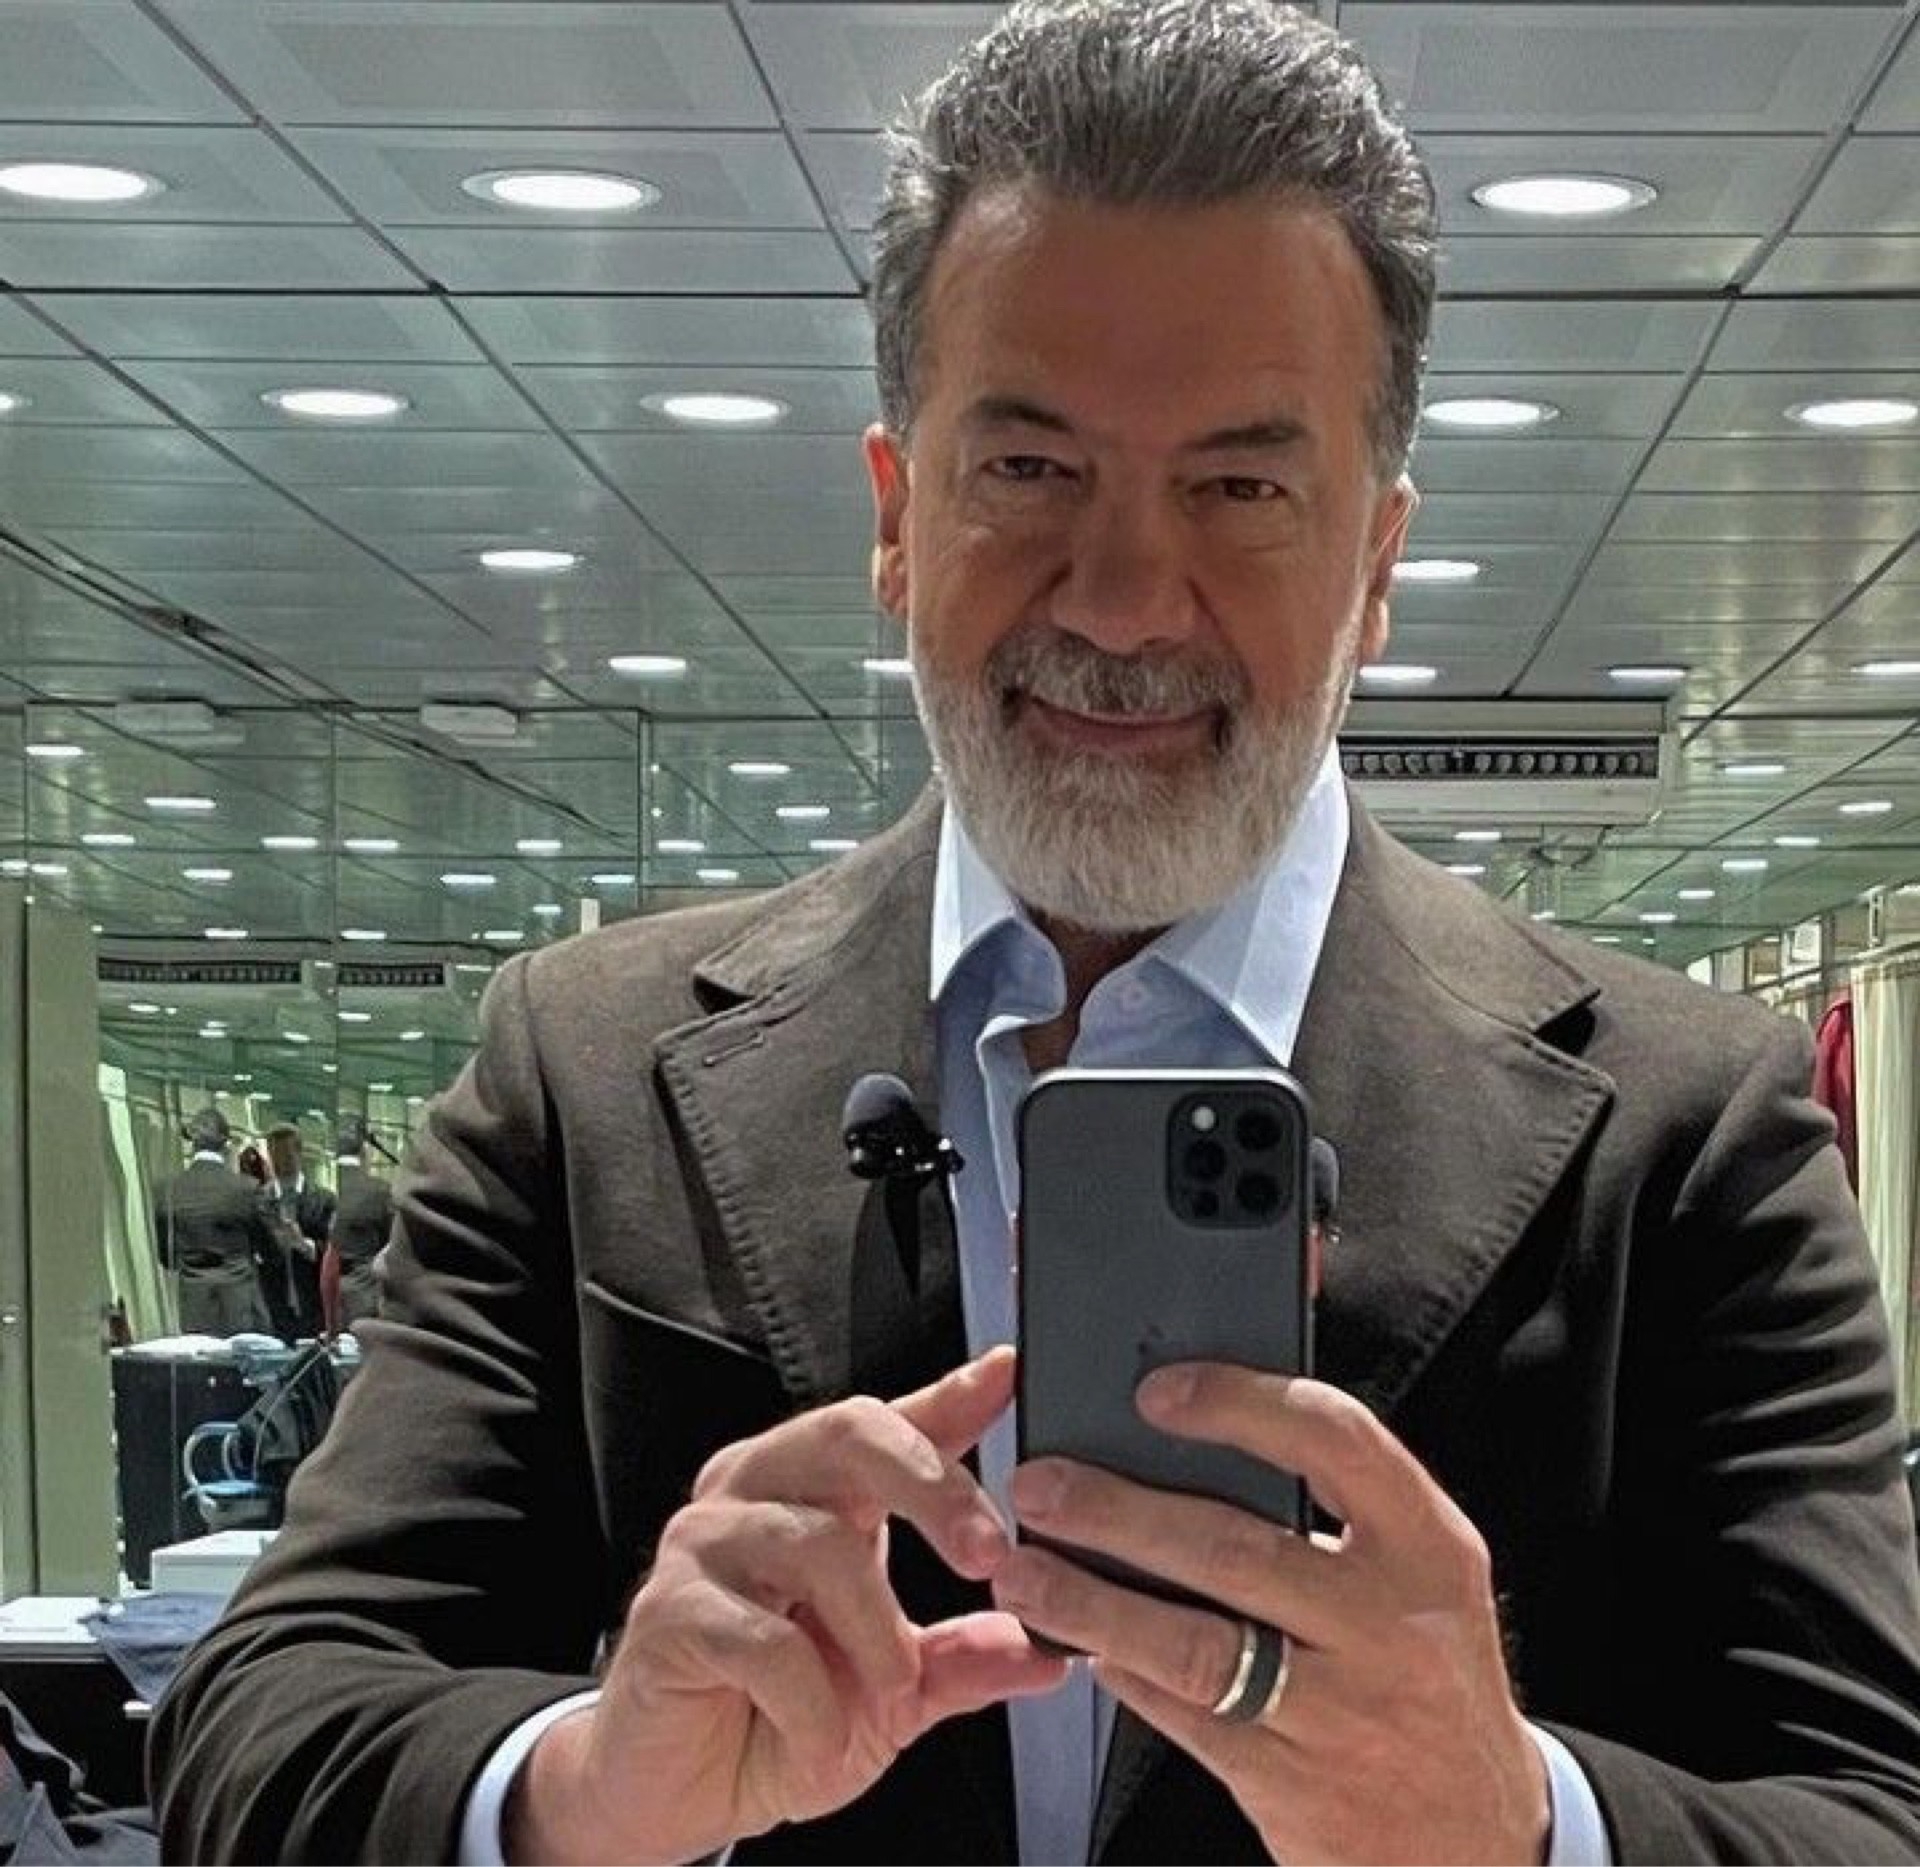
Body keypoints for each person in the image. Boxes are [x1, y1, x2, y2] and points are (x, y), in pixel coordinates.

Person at [150, 2, 1920, 1861]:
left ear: (1378, 560)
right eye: (1029, 470)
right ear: (897, 516)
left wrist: (1518, 1826)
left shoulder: (1688, 1133)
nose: (1126, 597)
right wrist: (587, 1789)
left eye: (1240, 485)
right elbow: (262, 1726)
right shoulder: (584, 1074)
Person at [149, 1108, 280, 1340]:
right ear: (226, 1145)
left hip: (194, 1305)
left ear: (193, 1145)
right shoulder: (246, 1189)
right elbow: (271, 1251)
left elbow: (166, 1257)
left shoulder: (167, 1190)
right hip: (242, 1303)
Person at [264, 1123, 333, 1341]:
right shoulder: (260, 1201)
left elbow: (335, 1254)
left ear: (299, 1152)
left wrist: (303, 1244)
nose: (280, 1162)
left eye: (286, 1154)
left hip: (313, 1305)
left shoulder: (324, 1200)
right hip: (272, 1307)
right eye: (274, 1155)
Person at [324, 1117, 392, 1333]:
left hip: (326, 1299)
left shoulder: (321, 1191)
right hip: (367, 1296)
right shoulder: (379, 1192)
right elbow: (394, 1245)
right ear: (365, 1150)